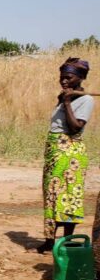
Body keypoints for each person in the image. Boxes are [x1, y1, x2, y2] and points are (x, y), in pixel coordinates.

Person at [37, 58, 94, 254]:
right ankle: (49, 241)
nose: (63, 81)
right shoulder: (63, 97)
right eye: (61, 78)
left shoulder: (86, 100)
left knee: (68, 197)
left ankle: (68, 241)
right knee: (51, 195)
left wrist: (68, 102)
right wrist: (64, 99)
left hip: (70, 154)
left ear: (81, 78)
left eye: (68, 78)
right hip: (55, 152)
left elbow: (76, 126)